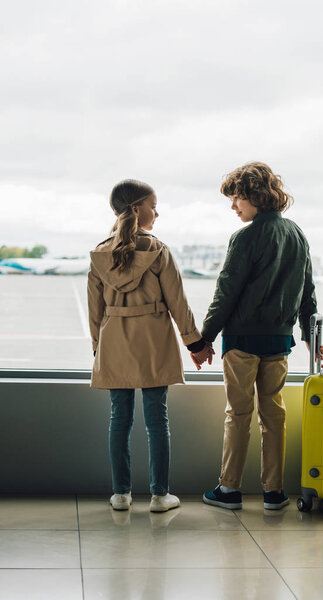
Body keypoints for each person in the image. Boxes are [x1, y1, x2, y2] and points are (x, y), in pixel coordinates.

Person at [192, 161, 323, 511]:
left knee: (238, 414)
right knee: (274, 415)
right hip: (279, 342)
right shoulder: (297, 234)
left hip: (242, 342)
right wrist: (309, 333)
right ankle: (274, 492)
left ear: (254, 195)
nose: (233, 207)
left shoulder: (245, 237)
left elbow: (227, 292)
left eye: (236, 199)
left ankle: (229, 489)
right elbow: (307, 290)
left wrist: (204, 339)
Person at [87, 179, 213, 512]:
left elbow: (94, 311)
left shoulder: (100, 254)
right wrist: (195, 344)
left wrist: (99, 349)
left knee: (119, 420)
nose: (157, 212)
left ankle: (121, 495)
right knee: (158, 421)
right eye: (153, 206)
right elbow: (178, 303)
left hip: (114, 341)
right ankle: (160, 495)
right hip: (154, 340)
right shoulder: (158, 250)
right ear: (136, 208)